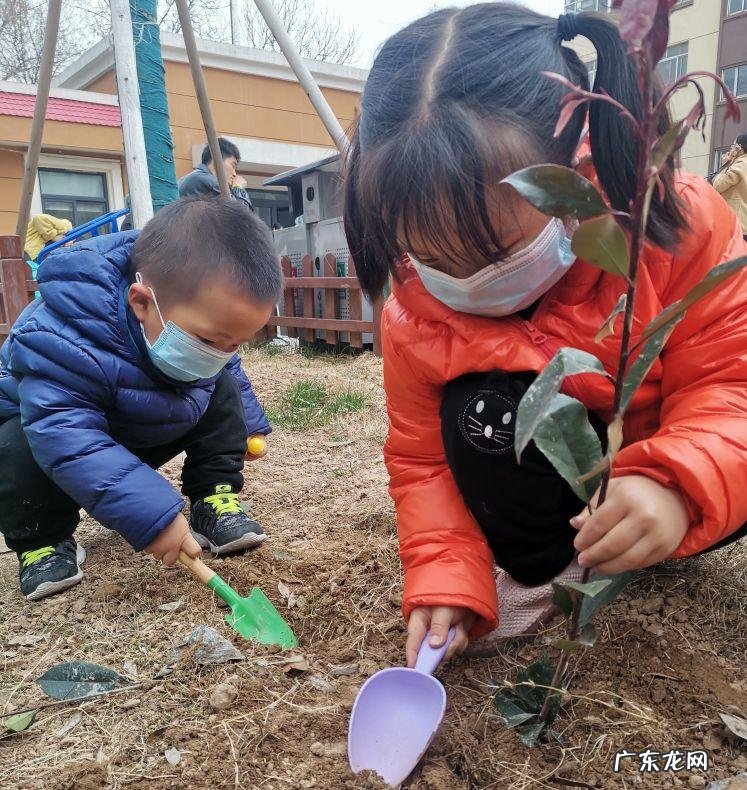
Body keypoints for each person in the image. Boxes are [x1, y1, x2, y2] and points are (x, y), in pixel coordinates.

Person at [343, 4, 747, 667]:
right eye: (435, 260)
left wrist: (672, 486)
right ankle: (544, 572)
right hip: (555, 507)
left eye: (497, 249)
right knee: (476, 410)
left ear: (569, 179)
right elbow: (423, 462)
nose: (467, 283)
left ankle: (635, 535)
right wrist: (445, 577)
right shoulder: (413, 307)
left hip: (691, 489)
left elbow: (732, 383)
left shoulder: (673, 223)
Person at [0, 196, 280, 601]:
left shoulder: (200, 336)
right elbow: (65, 434)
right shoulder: (61, 334)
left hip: (139, 421)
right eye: (208, 340)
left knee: (217, 383)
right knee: (15, 443)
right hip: (54, 442)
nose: (221, 352)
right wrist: (153, 517)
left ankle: (214, 498)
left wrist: (247, 425)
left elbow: (226, 368)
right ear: (142, 302)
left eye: (235, 343)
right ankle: (41, 541)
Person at [178, 137, 254, 210]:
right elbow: (242, 215)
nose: (234, 173)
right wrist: (238, 188)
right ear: (217, 160)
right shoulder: (208, 181)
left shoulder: (195, 176)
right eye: (233, 165)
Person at [713, 133, 747, 240]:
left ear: (739, 148)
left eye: (733, 146)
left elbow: (717, 185)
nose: (731, 149)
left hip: (735, 225)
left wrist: (726, 163)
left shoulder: (739, 166)